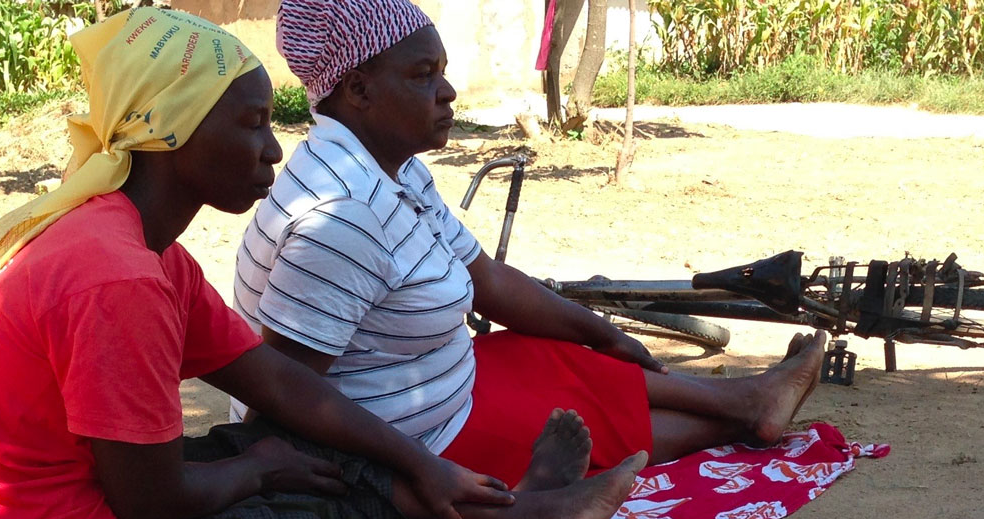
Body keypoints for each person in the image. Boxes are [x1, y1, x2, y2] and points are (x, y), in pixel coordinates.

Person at [0, 8, 644, 519]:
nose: (274, 149)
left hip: (47, 513)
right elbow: (148, 502)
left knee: (316, 445)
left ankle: (518, 508)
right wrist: (256, 472)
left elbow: (276, 380)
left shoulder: (142, 249)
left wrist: (421, 463)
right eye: (252, 124)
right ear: (174, 136)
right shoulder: (115, 276)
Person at [233, 0, 828, 487]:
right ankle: (741, 418)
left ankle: (746, 399)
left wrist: (606, 334)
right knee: (574, 427)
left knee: (561, 355)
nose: (448, 92)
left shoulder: (391, 168)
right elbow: (288, 394)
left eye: (441, 71)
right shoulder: (343, 218)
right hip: (412, 435)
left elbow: (486, 279)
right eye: (423, 76)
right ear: (357, 90)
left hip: (440, 379)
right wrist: (409, 477)